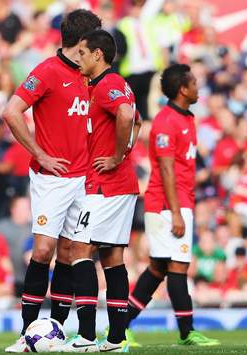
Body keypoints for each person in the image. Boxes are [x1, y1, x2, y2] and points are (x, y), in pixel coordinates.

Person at [1, 9, 102, 353]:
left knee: (70, 252)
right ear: (83, 41)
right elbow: (11, 111)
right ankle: (27, 332)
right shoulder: (46, 71)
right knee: (43, 250)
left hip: (84, 178)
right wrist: (40, 154)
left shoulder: (94, 75)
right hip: (52, 177)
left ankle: (55, 331)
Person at [54, 29, 141, 352]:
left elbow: (127, 114)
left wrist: (117, 155)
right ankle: (117, 339)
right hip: (120, 184)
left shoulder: (108, 85)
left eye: (83, 53)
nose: (79, 59)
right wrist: (126, 150)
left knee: (79, 250)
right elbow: (138, 121)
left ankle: (87, 336)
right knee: (112, 257)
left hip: (105, 185)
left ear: (97, 55)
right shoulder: (111, 85)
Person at [125, 64, 219, 346]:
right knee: (177, 266)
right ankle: (187, 332)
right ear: (183, 89)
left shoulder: (187, 117)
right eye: (194, 82)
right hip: (167, 205)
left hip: (179, 202)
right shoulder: (166, 122)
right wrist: (176, 212)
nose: (198, 87)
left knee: (158, 268)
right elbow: (165, 169)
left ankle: (120, 325)